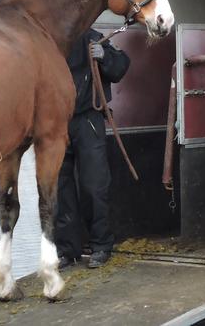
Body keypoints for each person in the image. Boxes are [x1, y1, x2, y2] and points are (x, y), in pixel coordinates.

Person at [55, 28, 130, 269]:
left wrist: (104, 56)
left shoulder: (93, 37)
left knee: (94, 186)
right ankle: (67, 250)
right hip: (56, 122)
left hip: (88, 119)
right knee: (59, 189)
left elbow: (120, 66)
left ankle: (100, 246)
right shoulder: (51, 39)